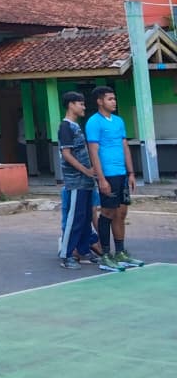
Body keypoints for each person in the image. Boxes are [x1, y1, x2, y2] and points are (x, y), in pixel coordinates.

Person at [86, 86, 143, 269]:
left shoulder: (119, 121)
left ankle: (120, 252)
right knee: (108, 213)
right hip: (107, 175)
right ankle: (105, 254)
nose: (114, 102)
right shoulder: (94, 122)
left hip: (121, 174)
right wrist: (101, 179)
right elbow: (93, 152)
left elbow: (125, 147)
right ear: (100, 101)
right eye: (110, 99)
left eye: (114, 99)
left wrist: (131, 173)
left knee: (121, 213)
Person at [57, 92, 105, 270]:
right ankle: (66, 255)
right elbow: (66, 154)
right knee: (75, 219)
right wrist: (86, 170)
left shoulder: (76, 126)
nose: (84, 107)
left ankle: (84, 251)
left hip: (86, 182)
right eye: (81, 104)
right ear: (71, 105)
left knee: (85, 218)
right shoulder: (65, 127)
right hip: (76, 181)